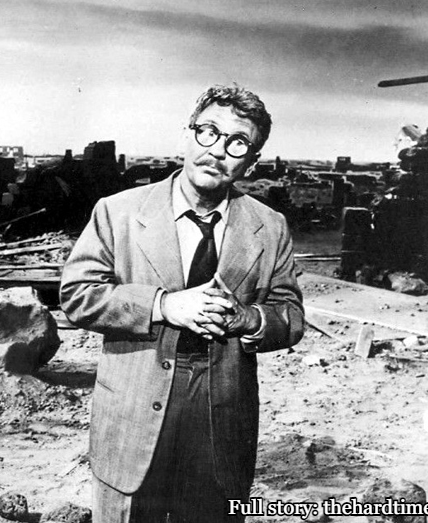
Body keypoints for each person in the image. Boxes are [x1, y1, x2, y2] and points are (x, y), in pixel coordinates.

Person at [59, 84, 304, 523]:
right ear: (187, 135)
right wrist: (164, 306)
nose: (217, 151)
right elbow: (77, 295)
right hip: (133, 415)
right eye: (208, 132)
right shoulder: (117, 212)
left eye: (238, 142)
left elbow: (291, 315)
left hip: (221, 421)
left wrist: (248, 318)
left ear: (251, 161)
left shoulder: (270, 227)